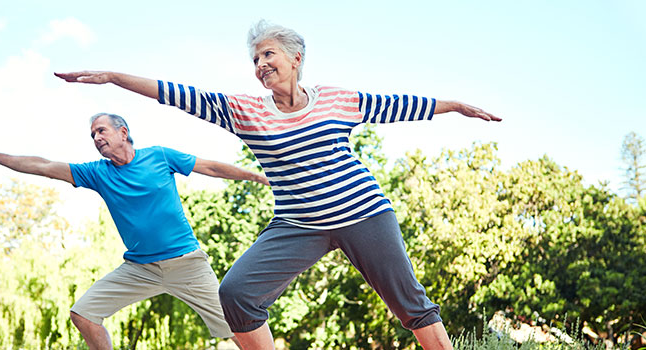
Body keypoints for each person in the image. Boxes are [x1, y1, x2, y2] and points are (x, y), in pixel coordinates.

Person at [54, 20, 501, 350]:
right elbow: (176, 92)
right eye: (255, 59)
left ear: (295, 58)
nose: (261, 64)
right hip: (298, 224)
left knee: (410, 304)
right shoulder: (246, 111)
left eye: (269, 54)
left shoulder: (338, 100)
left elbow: (401, 105)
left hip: (364, 213)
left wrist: (456, 105)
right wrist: (113, 77)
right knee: (236, 294)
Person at [0, 112, 270, 350]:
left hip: (187, 265)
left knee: (237, 326)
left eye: (101, 131)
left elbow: (212, 167)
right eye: (92, 135)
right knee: (83, 314)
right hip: (139, 268)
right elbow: (43, 166)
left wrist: (258, 177)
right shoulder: (96, 172)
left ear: (123, 132)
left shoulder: (159, 156)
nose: (96, 138)